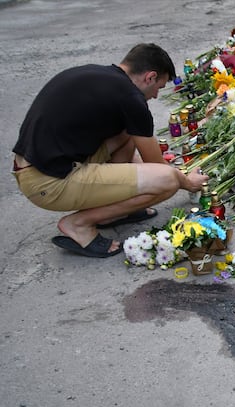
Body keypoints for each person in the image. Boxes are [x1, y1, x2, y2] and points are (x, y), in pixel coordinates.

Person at [12, 43, 207, 258]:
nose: (156, 96)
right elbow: (158, 167)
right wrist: (187, 182)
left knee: (127, 133)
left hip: (33, 167)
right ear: (150, 77)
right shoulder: (130, 98)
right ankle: (79, 224)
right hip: (48, 183)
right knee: (168, 182)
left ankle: (113, 213)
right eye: (158, 88)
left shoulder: (97, 74)